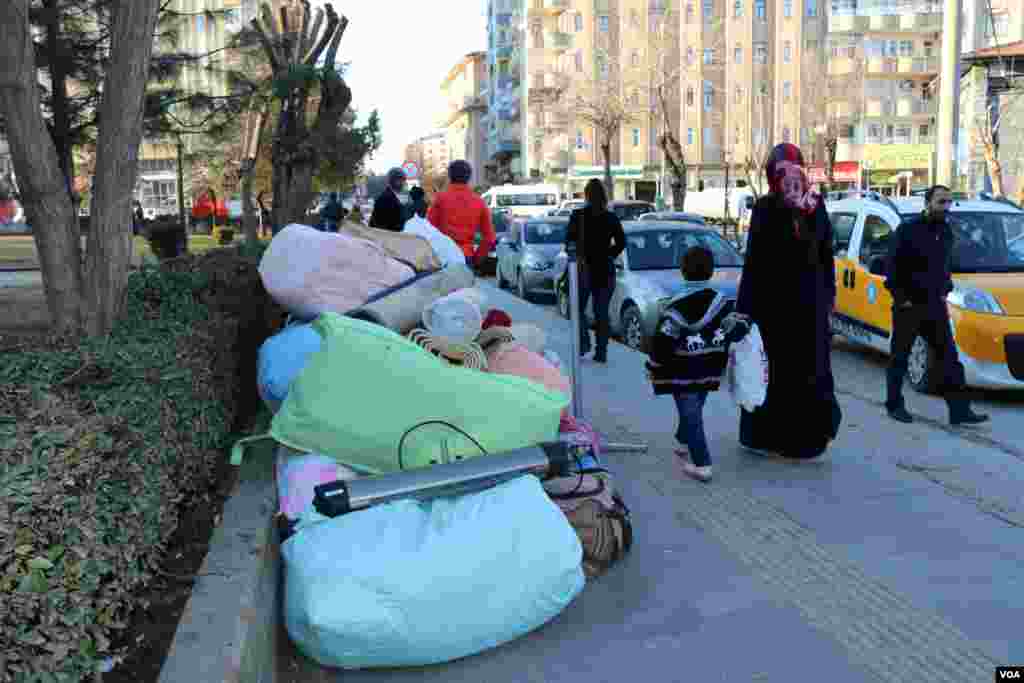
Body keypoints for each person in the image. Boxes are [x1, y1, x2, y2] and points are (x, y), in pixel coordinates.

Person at [735, 143, 841, 459]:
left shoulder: (766, 208)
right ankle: (806, 441)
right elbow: (826, 258)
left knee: (772, 373)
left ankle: (764, 437)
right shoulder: (815, 205)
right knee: (807, 372)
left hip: (773, 310)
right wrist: (828, 298)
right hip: (809, 308)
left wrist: (744, 311)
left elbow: (754, 264)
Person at [884, 185, 988, 426]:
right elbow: (892, 267)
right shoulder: (908, 229)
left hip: (934, 306)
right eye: (941, 202)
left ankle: (959, 410)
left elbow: (943, 265)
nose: (945, 207)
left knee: (949, 359)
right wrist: (902, 299)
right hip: (909, 306)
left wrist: (945, 288)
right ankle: (894, 405)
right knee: (900, 357)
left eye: (948, 202)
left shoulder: (945, 231)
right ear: (928, 203)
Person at [646, 246, 751, 482]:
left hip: (681, 370)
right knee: (695, 405)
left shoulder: (675, 306)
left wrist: (653, 365)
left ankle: (702, 464)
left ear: (683, 271)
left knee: (690, 411)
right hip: (711, 367)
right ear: (711, 272)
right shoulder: (722, 302)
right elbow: (736, 330)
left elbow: (663, 342)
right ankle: (683, 441)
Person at [565, 178, 626, 363]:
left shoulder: (578, 216)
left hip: (584, 270)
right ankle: (601, 352)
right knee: (601, 312)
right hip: (605, 270)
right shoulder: (610, 217)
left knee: (576, 308)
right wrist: (609, 255)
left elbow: (568, 242)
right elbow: (622, 242)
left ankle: (583, 343)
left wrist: (575, 256)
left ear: (587, 195)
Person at [427, 160, 495, 270]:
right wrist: (476, 258)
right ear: (469, 177)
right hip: (466, 256)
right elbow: (490, 238)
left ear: (449, 176)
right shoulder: (479, 202)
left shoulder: (440, 199)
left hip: (443, 257)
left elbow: (428, 230)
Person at [369, 167, 408, 232]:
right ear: (392, 180)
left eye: (403, 180)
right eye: (400, 180)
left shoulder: (390, 196)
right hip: (388, 238)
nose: (403, 183)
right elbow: (381, 225)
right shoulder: (386, 198)